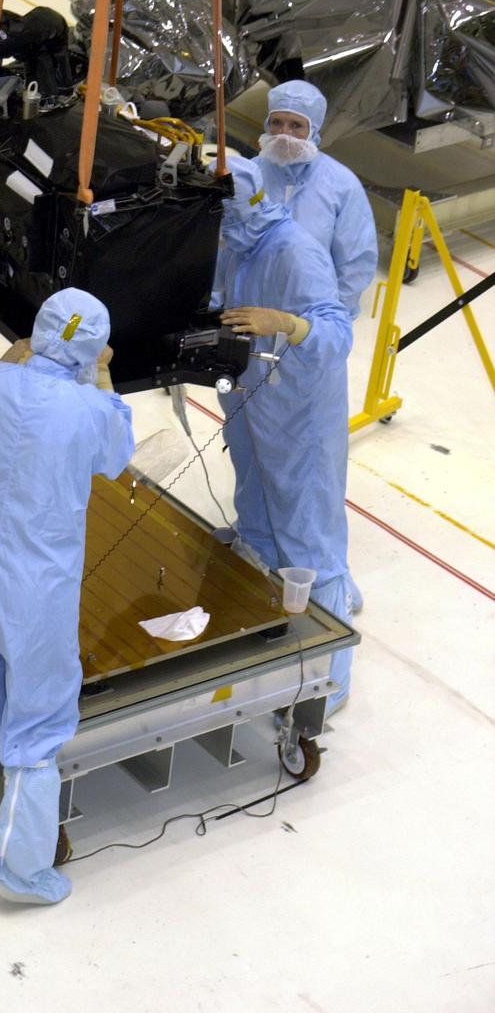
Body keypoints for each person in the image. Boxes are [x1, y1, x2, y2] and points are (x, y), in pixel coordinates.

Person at [0, 288, 135, 905]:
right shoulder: (89, 410)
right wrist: (103, 376)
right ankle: (21, 871)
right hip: (37, 589)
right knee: (37, 720)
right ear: (93, 347)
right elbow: (116, 454)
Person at [215, 157, 359, 714]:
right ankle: (269, 626)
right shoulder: (241, 240)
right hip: (253, 396)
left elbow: (336, 332)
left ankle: (328, 682)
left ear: (248, 204)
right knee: (256, 507)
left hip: (299, 410)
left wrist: (288, 324)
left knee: (310, 538)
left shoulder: (295, 250)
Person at [254, 80, 377, 319]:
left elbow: (355, 258)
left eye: (296, 125)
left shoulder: (341, 184)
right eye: (276, 122)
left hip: (312, 314)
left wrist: (333, 318)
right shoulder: (250, 176)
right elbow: (226, 246)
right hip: (251, 308)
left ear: (313, 130)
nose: (283, 134)